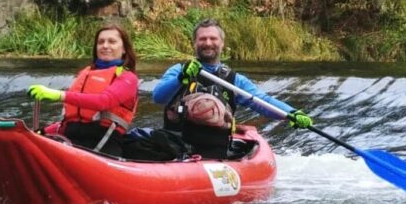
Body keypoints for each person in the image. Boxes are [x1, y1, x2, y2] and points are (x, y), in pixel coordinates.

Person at [152, 18, 313, 159]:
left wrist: (290, 113)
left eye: (213, 38)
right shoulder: (179, 70)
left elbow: (261, 101)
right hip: (176, 148)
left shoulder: (235, 80)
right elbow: (158, 97)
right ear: (194, 43)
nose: (208, 43)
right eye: (202, 39)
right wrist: (181, 78)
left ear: (222, 43)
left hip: (215, 150)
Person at [27, 24, 139, 157]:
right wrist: (42, 131)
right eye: (100, 42)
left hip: (104, 141)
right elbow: (72, 119)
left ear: (124, 49)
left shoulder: (128, 78)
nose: (105, 46)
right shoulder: (86, 73)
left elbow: (104, 102)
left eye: (112, 41)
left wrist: (58, 95)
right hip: (72, 138)